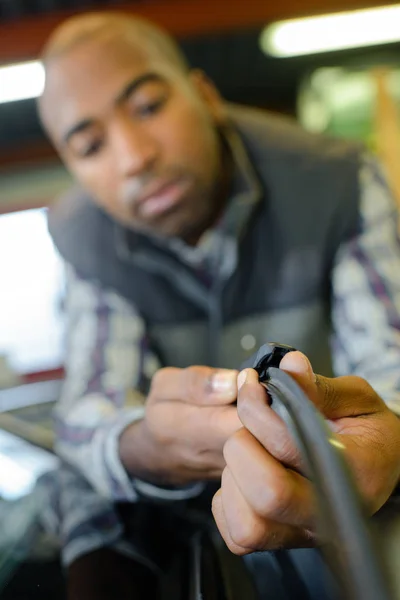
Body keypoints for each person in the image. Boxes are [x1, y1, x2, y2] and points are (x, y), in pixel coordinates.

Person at [38, 10, 400, 599]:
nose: (134, 157)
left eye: (150, 106)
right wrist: (148, 444)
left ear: (204, 94)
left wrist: (382, 443)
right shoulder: (85, 237)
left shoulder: (337, 181)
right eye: (90, 145)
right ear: (72, 166)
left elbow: (393, 362)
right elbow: (89, 410)